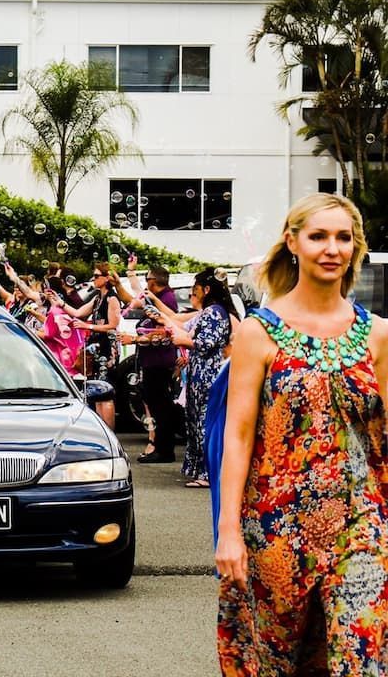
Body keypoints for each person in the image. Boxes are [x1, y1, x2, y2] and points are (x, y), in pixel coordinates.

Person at [216, 193, 388, 673]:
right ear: (293, 242)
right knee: (280, 664)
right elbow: (239, 435)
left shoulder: (378, 334)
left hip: (363, 527)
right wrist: (229, 530)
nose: (332, 248)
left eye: (343, 237)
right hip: (276, 528)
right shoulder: (258, 333)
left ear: (355, 248)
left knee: (363, 661)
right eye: (318, 236)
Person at [162, 269, 238, 488]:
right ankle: (202, 471)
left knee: (204, 422)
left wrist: (183, 341)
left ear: (206, 289)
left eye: (195, 290)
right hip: (201, 373)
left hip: (208, 375)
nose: (193, 294)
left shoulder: (214, 312)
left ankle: (208, 473)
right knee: (197, 421)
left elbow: (206, 343)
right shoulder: (211, 311)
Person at [118, 265, 181, 464]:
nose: (146, 283)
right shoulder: (158, 297)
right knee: (155, 404)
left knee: (161, 405)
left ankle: (164, 449)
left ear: (154, 281)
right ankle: (161, 447)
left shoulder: (166, 299)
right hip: (152, 361)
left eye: (147, 280)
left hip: (159, 361)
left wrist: (134, 340)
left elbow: (164, 332)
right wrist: (124, 278)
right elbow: (133, 298)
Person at [59, 263, 121, 427]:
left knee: (104, 391)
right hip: (96, 348)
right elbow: (78, 313)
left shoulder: (112, 298)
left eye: (96, 276)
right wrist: (59, 302)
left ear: (106, 278)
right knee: (96, 390)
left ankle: (109, 433)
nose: (93, 279)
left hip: (107, 348)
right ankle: (102, 429)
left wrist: (88, 326)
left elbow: (113, 325)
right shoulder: (97, 298)